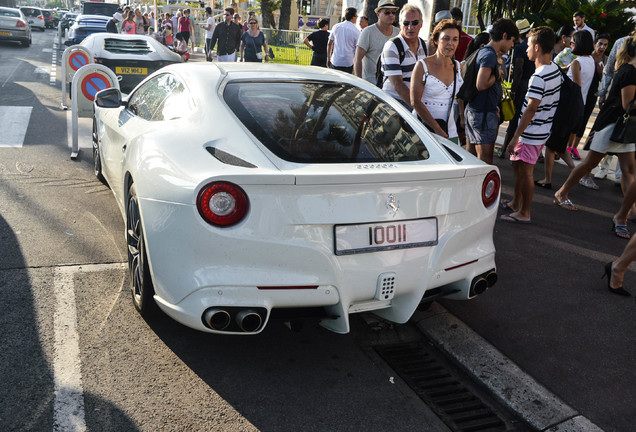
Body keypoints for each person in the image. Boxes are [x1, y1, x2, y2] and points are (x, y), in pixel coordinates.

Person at [553, 35, 636, 232]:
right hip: (612, 125)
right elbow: (627, 105)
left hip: (622, 127)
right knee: (591, 163)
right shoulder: (629, 72)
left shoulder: (629, 70)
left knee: (629, 170)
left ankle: (629, 211)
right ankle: (562, 193)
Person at [500, 26, 561, 224]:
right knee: (518, 167)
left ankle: (524, 212)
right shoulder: (555, 70)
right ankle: (516, 203)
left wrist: (516, 136)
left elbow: (530, 109)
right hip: (540, 131)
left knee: (526, 172)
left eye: (527, 45)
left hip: (531, 133)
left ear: (536, 48)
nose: (525, 49)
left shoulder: (539, 76)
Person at [535, 30, 595, 189]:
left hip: (568, 108)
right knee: (560, 146)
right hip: (578, 107)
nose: (571, 44)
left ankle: (547, 180)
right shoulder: (590, 61)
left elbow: (575, 86)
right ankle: (577, 172)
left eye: (573, 42)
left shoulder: (577, 63)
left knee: (550, 145)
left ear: (579, 43)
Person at [464, 18, 519, 164]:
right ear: (504, 36)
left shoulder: (484, 52)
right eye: (512, 40)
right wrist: (498, 75)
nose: (512, 45)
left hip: (477, 110)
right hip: (482, 113)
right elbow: (481, 84)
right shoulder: (489, 55)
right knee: (485, 161)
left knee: (471, 157)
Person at [411, 19, 464, 143]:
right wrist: (437, 129)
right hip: (422, 130)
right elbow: (415, 102)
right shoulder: (423, 65)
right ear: (436, 40)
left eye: (455, 39)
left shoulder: (458, 67)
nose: (450, 43)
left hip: (449, 131)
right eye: (446, 38)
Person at [499, 18, 535, 158]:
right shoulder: (532, 45)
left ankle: (504, 148)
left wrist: (513, 90)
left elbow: (519, 69)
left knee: (514, 118)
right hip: (531, 84)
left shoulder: (520, 48)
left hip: (522, 86)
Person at [379, 4, 427, 108]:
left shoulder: (423, 45)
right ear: (400, 24)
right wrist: (417, 109)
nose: (410, 27)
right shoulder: (392, 46)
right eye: (406, 23)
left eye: (415, 22)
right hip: (394, 104)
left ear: (421, 24)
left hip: (415, 102)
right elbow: (398, 85)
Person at [353, 0, 400, 83]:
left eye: (393, 12)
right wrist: (359, 83)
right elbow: (357, 59)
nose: (391, 15)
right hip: (371, 85)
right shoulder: (368, 32)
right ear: (378, 14)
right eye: (387, 12)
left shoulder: (398, 33)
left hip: (391, 86)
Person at [327, 8, 360, 73]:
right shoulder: (356, 31)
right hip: (348, 61)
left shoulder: (336, 27)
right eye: (356, 16)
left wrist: (328, 57)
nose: (357, 18)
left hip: (336, 60)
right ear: (353, 17)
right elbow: (357, 49)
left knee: (335, 81)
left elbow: (329, 43)